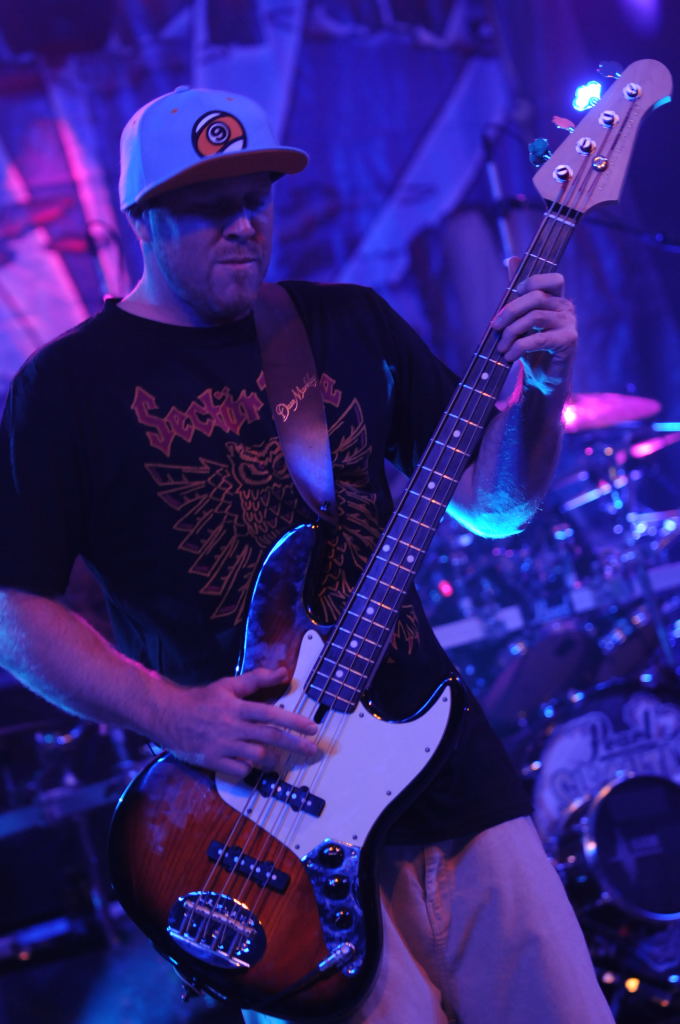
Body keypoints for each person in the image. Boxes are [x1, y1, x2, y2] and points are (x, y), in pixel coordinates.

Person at [0, 87, 614, 1024]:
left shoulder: (344, 325)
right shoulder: (66, 388)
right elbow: (14, 610)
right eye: (210, 206)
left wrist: (543, 388)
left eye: (257, 199)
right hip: (260, 834)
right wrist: (175, 715)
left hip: (449, 779)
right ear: (141, 218)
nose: (244, 224)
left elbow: (495, 508)